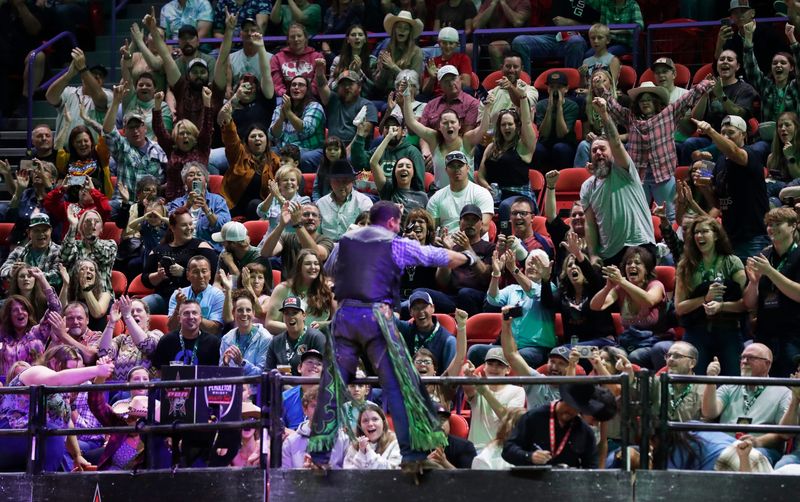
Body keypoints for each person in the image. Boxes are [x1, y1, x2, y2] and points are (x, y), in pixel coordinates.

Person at [307, 201, 474, 471]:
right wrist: (468, 257)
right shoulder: (394, 242)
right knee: (398, 384)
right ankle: (410, 455)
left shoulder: (345, 240)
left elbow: (329, 271)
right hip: (376, 317)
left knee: (333, 385)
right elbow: (437, 257)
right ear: (392, 222)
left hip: (345, 316)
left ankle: (319, 457)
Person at [602, 76, 714, 224]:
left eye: (648, 99)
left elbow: (689, 98)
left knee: (671, 215)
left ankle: (671, 245)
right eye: (642, 100)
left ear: (656, 101)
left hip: (663, 175)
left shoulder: (669, 112)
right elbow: (613, 108)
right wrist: (602, 90)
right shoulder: (630, 117)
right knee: (637, 216)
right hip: (638, 176)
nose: (645, 102)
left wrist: (705, 83)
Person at [0, 346, 114, 472]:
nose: (73, 375)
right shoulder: (35, 371)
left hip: (39, 443)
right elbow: (58, 378)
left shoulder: (63, 393)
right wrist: (97, 370)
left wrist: (77, 455)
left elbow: (65, 421)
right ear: (54, 362)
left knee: (53, 436)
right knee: (50, 434)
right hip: (13, 437)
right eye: (69, 369)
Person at [580, 97, 656, 267]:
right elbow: (590, 225)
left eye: (602, 149)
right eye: (594, 150)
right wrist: (592, 255)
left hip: (640, 245)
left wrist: (604, 115)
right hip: (610, 255)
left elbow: (615, 142)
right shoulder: (587, 187)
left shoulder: (624, 170)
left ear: (612, 153)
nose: (598, 152)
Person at [693, 115, 770, 262]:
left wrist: (711, 131)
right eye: (723, 132)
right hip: (730, 237)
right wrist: (704, 186)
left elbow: (734, 152)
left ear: (744, 135)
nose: (726, 136)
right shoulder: (720, 162)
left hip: (753, 237)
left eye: (731, 132)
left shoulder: (750, 153)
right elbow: (717, 203)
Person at [675, 216, 746, 376]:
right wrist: (704, 299)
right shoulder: (685, 266)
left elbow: (745, 304)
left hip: (727, 330)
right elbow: (679, 308)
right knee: (696, 383)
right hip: (696, 331)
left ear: (715, 235)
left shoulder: (732, 262)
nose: (699, 236)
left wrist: (721, 306)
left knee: (733, 381)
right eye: (696, 232)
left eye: (704, 231)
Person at [701, 343, 792, 466]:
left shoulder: (783, 392)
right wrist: (711, 380)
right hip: (724, 443)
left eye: (751, 358)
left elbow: (783, 433)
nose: (744, 361)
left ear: (767, 364)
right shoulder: (729, 386)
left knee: (748, 456)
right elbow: (709, 412)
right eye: (742, 357)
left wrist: (757, 442)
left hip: (761, 447)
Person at [469, 250, 556, 369]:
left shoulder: (549, 289)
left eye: (537, 263)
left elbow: (532, 291)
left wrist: (514, 269)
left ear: (547, 269)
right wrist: (496, 274)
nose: (532, 266)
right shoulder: (513, 289)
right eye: (530, 263)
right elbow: (493, 298)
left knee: (519, 357)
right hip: (509, 348)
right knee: (475, 351)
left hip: (536, 348)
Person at [590, 246, 670, 370]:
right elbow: (596, 306)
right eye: (628, 263)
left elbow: (648, 301)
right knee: (607, 355)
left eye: (637, 263)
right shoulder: (620, 289)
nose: (632, 266)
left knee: (635, 356)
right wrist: (607, 288)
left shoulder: (655, 285)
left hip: (656, 340)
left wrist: (622, 281)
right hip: (630, 341)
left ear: (647, 269)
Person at [501, 382, 617, 468]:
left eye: (577, 409)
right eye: (569, 404)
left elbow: (591, 467)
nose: (571, 411)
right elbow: (508, 450)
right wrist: (529, 456)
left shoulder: (584, 432)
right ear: (563, 399)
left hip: (567, 486)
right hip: (532, 483)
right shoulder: (533, 417)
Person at [744, 207, 800, 377]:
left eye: (777, 224)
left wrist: (770, 272)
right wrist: (753, 283)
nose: (772, 228)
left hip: (793, 336)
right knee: (759, 385)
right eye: (769, 224)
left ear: (793, 226)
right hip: (765, 334)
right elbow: (749, 303)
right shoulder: (764, 255)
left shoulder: (798, 255)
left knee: (789, 388)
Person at [682, 50, 758, 165]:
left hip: (733, 138)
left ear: (737, 66)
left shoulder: (745, 89)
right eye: (721, 59)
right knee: (689, 143)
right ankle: (690, 178)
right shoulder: (711, 87)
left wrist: (721, 94)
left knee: (714, 147)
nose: (725, 62)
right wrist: (705, 94)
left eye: (730, 59)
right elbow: (696, 117)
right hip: (709, 137)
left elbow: (739, 114)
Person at [88, 362, 169, 470]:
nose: (141, 382)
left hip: (145, 477)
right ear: (128, 383)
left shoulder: (159, 413)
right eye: (136, 379)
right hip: (113, 472)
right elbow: (96, 404)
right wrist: (100, 376)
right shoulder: (119, 413)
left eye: (145, 379)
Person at [101, 84, 167, 214]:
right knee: (105, 207)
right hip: (123, 202)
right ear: (124, 131)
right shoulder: (122, 146)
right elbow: (107, 130)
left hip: (151, 204)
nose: (135, 131)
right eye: (131, 127)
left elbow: (166, 178)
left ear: (145, 128)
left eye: (138, 126)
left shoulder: (157, 150)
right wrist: (115, 102)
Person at [141, 206, 219, 314]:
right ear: (172, 228)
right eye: (184, 225)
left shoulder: (202, 247)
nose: (189, 228)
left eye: (190, 224)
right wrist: (158, 276)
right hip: (164, 297)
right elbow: (145, 279)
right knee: (138, 307)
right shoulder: (158, 250)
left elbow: (211, 278)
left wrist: (184, 273)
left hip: (193, 299)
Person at [476, 88, 538, 226]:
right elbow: (480, 175)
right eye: (503, 125)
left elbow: (527, 123)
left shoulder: (523, 146)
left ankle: (504, 238)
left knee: (505, 206)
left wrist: (522, 99)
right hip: (495, 195)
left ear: (516, 127)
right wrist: (487, 187)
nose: (507, 127)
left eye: (510, 124)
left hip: (521, 197)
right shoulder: (491, 147)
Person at [422, 204, 495, 316]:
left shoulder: (489, 247)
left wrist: (468, 249)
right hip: (452, 298)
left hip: (477, 296)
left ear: (481, 225)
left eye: (474, 220)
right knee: (420, 293)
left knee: (465, 293)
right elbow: (442, 282)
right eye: (466, 219)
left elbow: (486, 278)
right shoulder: (452, 247)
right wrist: (447, 251)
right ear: (459, 224)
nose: (470, 223)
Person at [218, 99, 282, 219]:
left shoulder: (274, 160)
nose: (257, 138)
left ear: (267, 141)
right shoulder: (239, 155)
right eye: (253, 136)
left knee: (255, 205)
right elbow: (231, 140)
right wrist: (228, 120)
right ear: (247, 142)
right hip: (233, 206)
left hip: (259, 210)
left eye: (261, 136)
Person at [152, 89, 213, 202]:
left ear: (195, 137)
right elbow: (159, 131)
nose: (185, 136)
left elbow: (207, 128)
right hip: (174, 202)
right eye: (181, 133)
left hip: (199, 200)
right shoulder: (171, 149)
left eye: (189, 133)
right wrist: (157, 105)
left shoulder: (202, 148)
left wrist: (207, 103)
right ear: (175, 137)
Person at [0, 268, 61, 378]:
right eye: (15, 310)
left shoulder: (37, 333)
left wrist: (42, 279)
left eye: (24, 309)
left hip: (35, 388)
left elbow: (55, 307)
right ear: (8, 315)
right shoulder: (2, 336)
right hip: (7, 391)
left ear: (28, 313)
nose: (20, 312)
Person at [462, 347, 526, 452]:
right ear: (484, 367)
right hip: (476, 449)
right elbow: (468, 389)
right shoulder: (477, 386)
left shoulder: (517, 391)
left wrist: (485, 392)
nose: (494, 368)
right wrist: (468, 376)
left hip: (502, 450)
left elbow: (508, 419)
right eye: (490, 364)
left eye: (500, 365)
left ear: (508, 369)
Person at [44, 48, 111, 143]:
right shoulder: (69, 92)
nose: (98, 77)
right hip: (65, 153)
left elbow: (100, 100)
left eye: (101, 75)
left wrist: (83, 68)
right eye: (94, 74)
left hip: (94, 153)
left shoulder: (108, 94)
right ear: (83, 77)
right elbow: (50, 97)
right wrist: (69, 75)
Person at [511, 0, 595, 74]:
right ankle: (525, 86)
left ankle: (572, 85)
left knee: (576, 41)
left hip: (573, 40)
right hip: (550, 37)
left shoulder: (592, 3)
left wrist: (569, 23)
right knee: (519, 41)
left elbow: (596, 26)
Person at [166, 162, 232, 252]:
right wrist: (187, 206)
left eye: (199, 174)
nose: (196, 177)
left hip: (210, 249)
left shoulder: (218, 201)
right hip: (182, 248)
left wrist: (206, 209)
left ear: (205, 181)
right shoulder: (178, 202)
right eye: (191, 175)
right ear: (185, 182)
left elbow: (224, 227)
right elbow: (171, 224)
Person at [265, 250, 335, 334]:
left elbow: (337, 321)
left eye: (316, 263)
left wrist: (323, 325)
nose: (313, 267)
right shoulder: (283, 289)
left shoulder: (328, 289)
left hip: (321, 340)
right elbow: (270, 324)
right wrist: (301, 330)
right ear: (299, 267)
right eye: (308, 264)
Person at [97, 296, 164, 381]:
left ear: (147, 317)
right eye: (131, 311)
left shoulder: (156, 334)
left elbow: (147, 346)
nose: (135, 314)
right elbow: (103, 353)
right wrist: (111, 322)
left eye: (139, 310)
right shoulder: (121, 340)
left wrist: (128, 316)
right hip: (121, 390)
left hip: (146, 389)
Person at [426, 152, 494, 234]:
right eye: (452, 166)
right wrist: (434, 239)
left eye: (460, 165)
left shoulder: (482, 193)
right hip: (445, 243)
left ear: (468, 168)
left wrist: (457, 241)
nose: (456, 169)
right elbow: (431, 229)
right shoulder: (436, 198)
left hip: (474, 243)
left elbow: (483, 227)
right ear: (446, 170)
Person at [269, 75, 326, 172]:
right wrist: (282, 117)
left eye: (301, 85)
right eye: (293, 85)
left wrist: (289, 113)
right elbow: (273, 135)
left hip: (309, 149)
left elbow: (306, 130)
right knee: (269, 154)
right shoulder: (280, 108)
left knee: (303, 158)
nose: (296, 87)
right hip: (284, 150)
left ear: (307, 89)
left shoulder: (315, 106)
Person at [259, 202, 334, 276]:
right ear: (298, 217)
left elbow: (317, 255)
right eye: (306, 214)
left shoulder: (326, 240)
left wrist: (298, 224)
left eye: (314, 215)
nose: (310, 218)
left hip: (314, 287)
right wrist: (281, 225)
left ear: (319, 220)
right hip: (289, 286)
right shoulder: (286, 237)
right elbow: (266, 253)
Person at [281, 387, 348, 468]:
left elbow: (350, 477)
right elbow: (285, 478)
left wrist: (329, 470)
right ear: (305, 410)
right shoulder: (290, 443)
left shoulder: (344, 439)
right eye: (314, 406)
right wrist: (304, 472)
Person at [315, 62, 378, 144]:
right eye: (343, 84)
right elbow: (322, 85)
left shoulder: (367, 106)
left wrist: (346, 153)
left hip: (355, 150)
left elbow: (364, 133)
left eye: (350, 84)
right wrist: (319, 71)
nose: (347, 87)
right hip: (332, 148)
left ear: (359, 87)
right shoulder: (333, 100)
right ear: (338, 88)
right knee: (308, 156)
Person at [396, 292, 461, 373]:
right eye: (416, 308)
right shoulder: (406, 329)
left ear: (433, 308)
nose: (421, 311)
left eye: (424, 307)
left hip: (437, 384)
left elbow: (451, 377)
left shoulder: (448, 340)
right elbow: (384, 318)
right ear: (410, 312)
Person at [151, 299, 222, 372]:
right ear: (179, 319)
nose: (191, 317)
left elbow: (216, 373)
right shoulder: (166, 341)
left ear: (200, 318)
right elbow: (158, 371)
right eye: (186, 313)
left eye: (194, 313)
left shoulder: (213, 342)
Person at [59, 209, 116, 294]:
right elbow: (64, 257)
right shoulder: (74, 245)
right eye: (88, 221)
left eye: (97, 221)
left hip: (101, 295)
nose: (92, 224)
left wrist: (92, 238)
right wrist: (73, 226)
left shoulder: (110, 244)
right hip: (76, 296)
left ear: (101, 229)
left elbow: (105, 258)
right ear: (81, 227)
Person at [265, 296, 327, 375]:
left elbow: (325, 373)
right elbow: (268, 372)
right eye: (286, 313)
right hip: (281, 386)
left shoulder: (316, 338)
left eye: (295, 312)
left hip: (308, 386)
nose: (290, 317)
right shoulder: (276, 342)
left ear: (304, 315)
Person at [167, 255, 225, 336]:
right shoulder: (178, 295)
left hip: (207, 342)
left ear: (210, 274)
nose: (201, 276)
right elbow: (171, 328)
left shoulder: (218, 295)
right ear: (187, 275)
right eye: (195, 272)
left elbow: (215, 330)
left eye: (204, 271)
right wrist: (179, 306)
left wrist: (190, 312)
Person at [316, 160, 374, 241]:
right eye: (337, 181)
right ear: (330, 182)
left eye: (345, 180)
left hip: (355, 245)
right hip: (327, 248)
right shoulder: (320, 204)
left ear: (352, 181)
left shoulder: (364, 202)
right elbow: (316, 234)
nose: (341, 185)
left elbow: (368, 233)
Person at [0, 213, 62, 289]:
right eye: (36, 230)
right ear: (29, 233)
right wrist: (12, 271)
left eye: (45, 230)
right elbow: (3, 270)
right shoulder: (18, 252)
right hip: (23, 297)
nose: (41, 234)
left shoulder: (59, 251)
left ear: (51, 231)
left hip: (49, 297)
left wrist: (28, 276)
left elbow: (58, 277)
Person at [534, 71, 580, 171]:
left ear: (566, 88)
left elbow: (561, 134)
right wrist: (550, 108)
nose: (555, 91)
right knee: (536, 149)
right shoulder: (541, 105)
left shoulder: (572, 106)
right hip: (546, 143)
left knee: (559, 148)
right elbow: (544, 133)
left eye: (559, 87)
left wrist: (559, 107)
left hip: (566, 144)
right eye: (552, 87)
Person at [369, 135, 428, 212]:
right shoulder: (388, 189)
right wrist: (388, 137)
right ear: (394, 172)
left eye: (408, 166)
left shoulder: (422, 196)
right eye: (400, 166)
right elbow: (373, 162)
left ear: (413, 173)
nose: (404, 168)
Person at [219, 291, 272, 376]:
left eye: (248, 310)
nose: (244, 314)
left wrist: (242, 363)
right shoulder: (226, 339)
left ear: (253, 313)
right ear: (233, 313)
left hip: (254, 388)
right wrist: (225, 364)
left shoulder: (265, 338)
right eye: (240, 310)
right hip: (233, 387)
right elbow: (221, 374)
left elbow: (262, 374)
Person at [373, 11, 424, 97]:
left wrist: (393, 67)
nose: (402, 30)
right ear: (394, 30)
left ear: (410, 33)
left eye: (406, 28)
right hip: (385, 95)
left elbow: (414, 82)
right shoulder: (386, 51)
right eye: (399, 27)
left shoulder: (417, 52)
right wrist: (384, 69)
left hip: (407, 96)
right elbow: (378, 85)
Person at [480, 50, 539, 119]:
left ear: (521, 69)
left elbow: (523, 104)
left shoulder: (531, 91)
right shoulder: (490, 94)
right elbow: (480, 124)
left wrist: (510, 87)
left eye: (515, 67)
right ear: (502, 68)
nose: (511, 70)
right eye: (508, 66)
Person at [473, 0, 531, 69]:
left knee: (495, 47)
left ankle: (502, 78)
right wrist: (493, 5)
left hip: (513, 40)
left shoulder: (522, 2)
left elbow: (517, 22)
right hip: (490, 39)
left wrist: (503, 3)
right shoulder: (488, 2)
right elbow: (476, 25)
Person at [270, 23, 323, 98]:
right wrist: (290, 96)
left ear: (305, 38)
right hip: (285, 97)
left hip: (310, 97)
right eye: (292, 37)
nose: (296, 39)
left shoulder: (317, 57)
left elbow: (316, 85)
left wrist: (303, 96)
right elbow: (277, 85)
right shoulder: (277, 58)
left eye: (299, 36)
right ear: (288, 40)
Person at [343, 404, 402, 469]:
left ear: (383, 422)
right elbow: (349, 474)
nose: (370, 424)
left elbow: (392, 472)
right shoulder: (354, 445)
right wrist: (361, 453)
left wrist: (369, 452)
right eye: (365, 420)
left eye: (375, 419)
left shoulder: (395, 442)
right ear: (360, 426)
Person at [421, 27, 474, 98]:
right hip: (436, 98)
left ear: (456, 44)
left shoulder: (463, 59)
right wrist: (432, 78)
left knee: (468, 91)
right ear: (439, 44)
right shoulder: (432, 62)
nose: (447, 46)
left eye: (451, 43)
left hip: (457, 96)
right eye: (444, 43)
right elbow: (425, 91)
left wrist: (449, 78)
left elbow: (466, 85)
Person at [327, 25, 377, 98]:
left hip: (365, 100)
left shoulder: (372, 60)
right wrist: (347, 74)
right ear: (348, 39)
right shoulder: (338, 60)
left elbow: (373, 90)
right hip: (342, 100)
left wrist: (359, 72)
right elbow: (330, 87)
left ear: (365, 39)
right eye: (353, 35)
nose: (357, 37)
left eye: (360, 35)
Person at [63, 258, 112, 331]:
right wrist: (65, 285)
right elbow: (61, 314)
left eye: (91, 270)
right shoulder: (69, 293)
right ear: (76, 275)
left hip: (96, 339)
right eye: (83, 269)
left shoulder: (105, 295)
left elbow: (97, 314)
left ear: (96, 276)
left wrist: (85, 288)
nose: (88, 271)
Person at [282, 348, 324, 429]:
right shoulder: (285, 397)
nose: (314, 366)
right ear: (299, 368)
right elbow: (277, 428)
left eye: (319, 364)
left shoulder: (330, 397)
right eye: (310, 362)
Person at [428, 403, 477, 469]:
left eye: (443, 420)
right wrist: (424, 463)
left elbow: (467, 478)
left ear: (449, 422)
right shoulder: (417, 448)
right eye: (434, 421)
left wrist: (444, 462)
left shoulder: (465, 446)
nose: (439, 425)